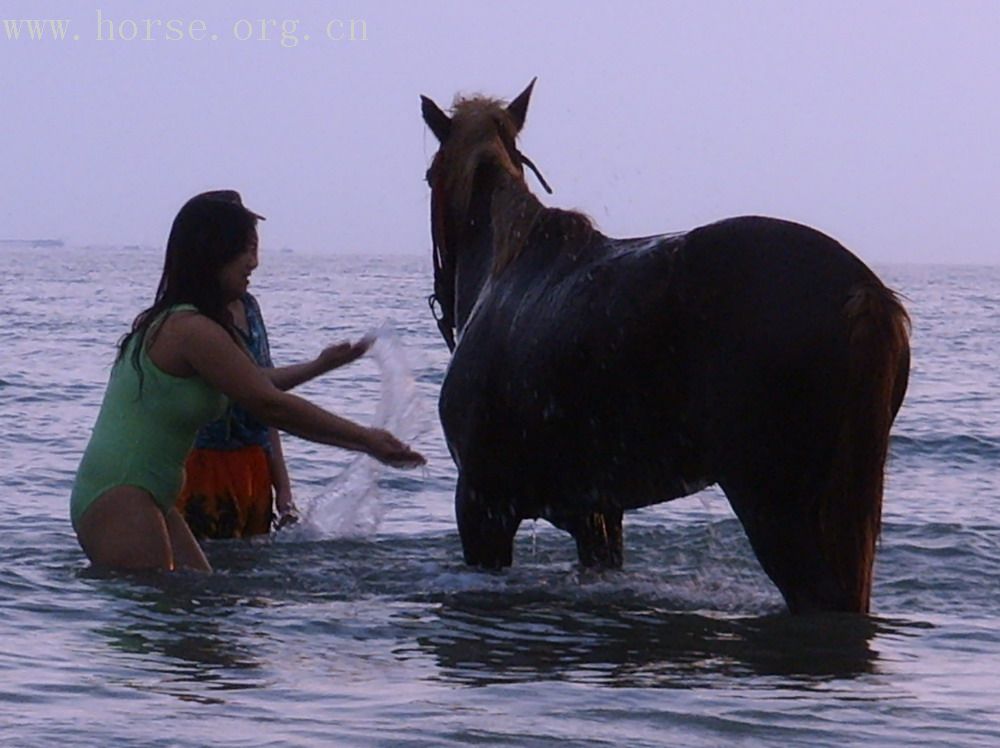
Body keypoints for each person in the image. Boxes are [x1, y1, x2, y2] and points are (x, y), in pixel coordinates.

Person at [69, 190, 424, 572]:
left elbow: (254, 382)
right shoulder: (189, 330)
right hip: (121, 493)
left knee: (197, 605)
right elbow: (267, 403)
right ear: (214, 254)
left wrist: (322, 364)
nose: (254, 262)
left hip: (147, 494)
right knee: (158, 623)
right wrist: (368, 439)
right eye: (247, 249)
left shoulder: (188, 324)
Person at [175, 255, 365, 539]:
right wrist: (320, 365)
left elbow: (266, 401)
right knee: (204, 573)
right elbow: (258, 393)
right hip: (204, 464)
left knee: (252, 573)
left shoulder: (249, 307)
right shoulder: (192, 320)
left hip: (255, 464)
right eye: (244, 249)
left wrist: (284, 492)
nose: (253, 262)